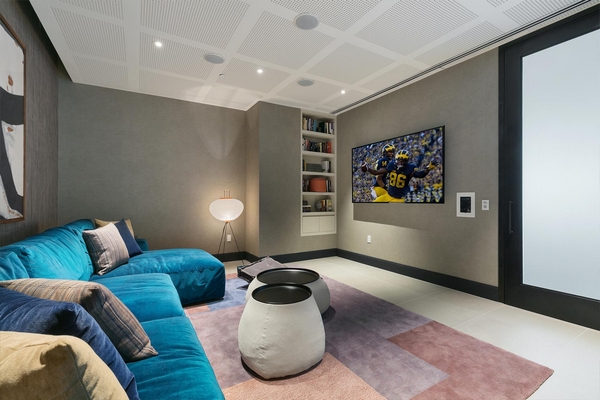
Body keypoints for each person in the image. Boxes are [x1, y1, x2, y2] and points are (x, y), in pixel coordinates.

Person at [373, 149, 439, 202]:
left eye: (402, 161)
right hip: (388, 195)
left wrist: (427, 169)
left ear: (406, 161)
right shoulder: (391, 165)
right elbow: (383, 175)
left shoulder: (410, 168)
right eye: (398, 160)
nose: (400, 162)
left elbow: (419, 175)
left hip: (399, 198)